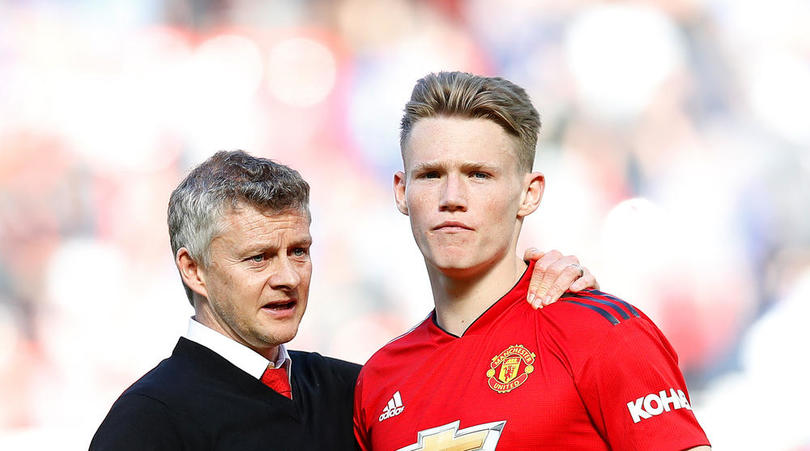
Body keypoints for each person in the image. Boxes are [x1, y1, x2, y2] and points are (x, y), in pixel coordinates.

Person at [90, 151, 598, 450]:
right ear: (193, 269)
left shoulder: (352, 388)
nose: (288, 276)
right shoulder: (147, 423)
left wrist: (543, 302)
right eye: (259, 258)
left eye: (300, 251)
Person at [353, 72, 711, 450]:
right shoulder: (378, 381)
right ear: (401, 191)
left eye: (479, 175)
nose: (452, 196)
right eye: (430, 174)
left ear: (529, 193)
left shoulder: (604, 335)